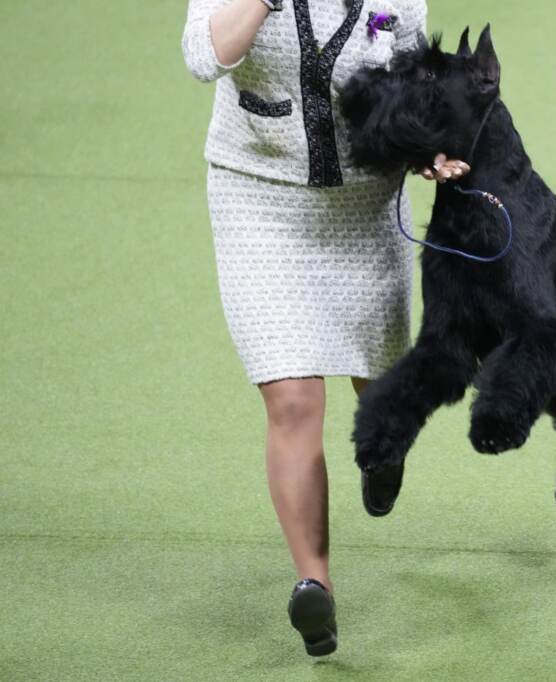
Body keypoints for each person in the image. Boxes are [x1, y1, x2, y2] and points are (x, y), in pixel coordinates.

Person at [181, 0, 468, 657]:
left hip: (364, 209)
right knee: (293, 399)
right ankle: (314, 585)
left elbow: (419, 84)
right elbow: (203, 57)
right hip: (257, 196)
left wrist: (430, 149)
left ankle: (385, 449)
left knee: (384, 395)